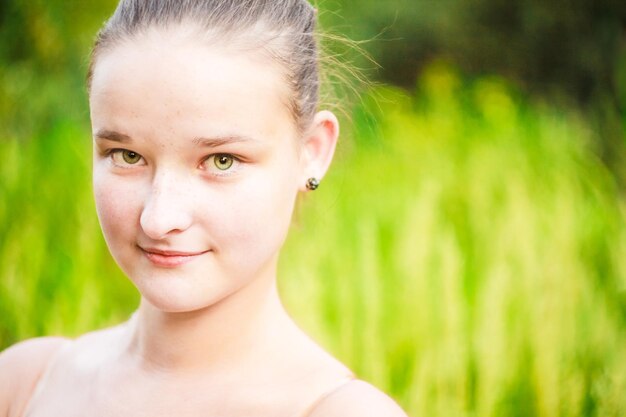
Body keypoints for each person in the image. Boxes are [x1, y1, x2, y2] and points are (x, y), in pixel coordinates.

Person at [0, 1, 407, 416]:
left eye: (221, 161)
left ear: (312, 152)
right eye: (126, 155)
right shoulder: (24, 383)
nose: (159, 219)